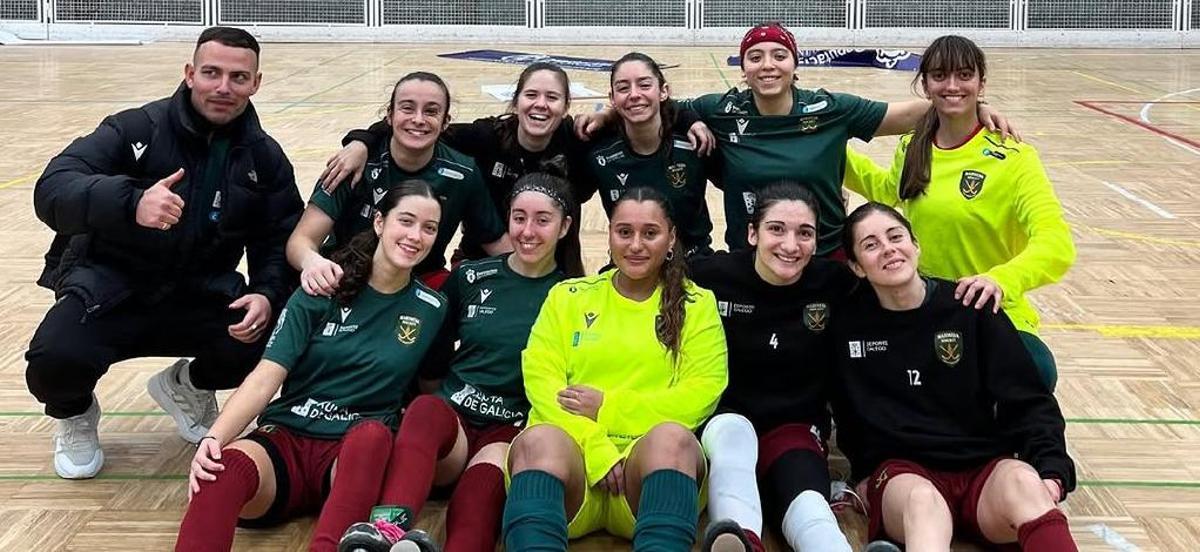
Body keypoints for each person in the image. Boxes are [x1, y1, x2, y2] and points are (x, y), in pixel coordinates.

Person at [25, 26, 303, 479]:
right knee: (53, 362)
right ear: (190, 73)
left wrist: (268, 293)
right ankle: (75, 414)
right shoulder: (135, 128)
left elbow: (280, 238)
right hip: (110, 290)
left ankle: (187, 386)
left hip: (199, 293)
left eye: (238, 77)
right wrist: (131, 202)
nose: (223, 87)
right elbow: (52, 189)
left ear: (256, 84)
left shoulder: (264, 157)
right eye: (211, 73)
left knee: (274, 336)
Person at [577, 22, 1016, 257]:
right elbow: (650, 102)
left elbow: (905, 116)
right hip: (749, 258)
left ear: (794, 64)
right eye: (755, 57)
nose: (767, 65)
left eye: (779, 55)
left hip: (824, 256)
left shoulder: (830, 108)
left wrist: (969, 103)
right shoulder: (721, 109)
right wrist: (606, 113)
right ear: (743, 68)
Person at [176, 182, 448, 552]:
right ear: (381, 223)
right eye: (406, 221)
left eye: (429, 228)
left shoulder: (431, 307)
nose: (416, 236)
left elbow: (432, 393)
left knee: (372, 438)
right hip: (287, 438)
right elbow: (264, 378)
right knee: (220, 473)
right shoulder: (323, 287)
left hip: (352, 456)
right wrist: (214, 439)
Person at [336, 173, 583, 552]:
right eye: (519, 218)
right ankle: (386, 533)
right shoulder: (470, 276)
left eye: (542, 220)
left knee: (480, 491)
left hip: (511, 429)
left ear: (565, 226)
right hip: (452, 428)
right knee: (425, 410)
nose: (528, 231)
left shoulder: (573, 296)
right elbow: (431, 354)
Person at [830, 202, 1077, 552]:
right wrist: (864, 475)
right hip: (904, 474)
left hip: (982, 471)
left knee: (1025, 482)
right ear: (856, 266)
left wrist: (1051, 472)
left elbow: (1028, 399)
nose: (888, 248)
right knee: (922, 504)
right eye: (870, 245)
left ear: (916, 245)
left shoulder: (969, 308)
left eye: (896, 236)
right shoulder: (845, 326)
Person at [842, 35, 1074, 390]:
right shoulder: (913, 145)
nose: (952, 86)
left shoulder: (1014, 157)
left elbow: (1056, 243)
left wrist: (1000, 280)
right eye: (940, 76)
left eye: (964, 75)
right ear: (925, 84)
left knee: (1036, 370)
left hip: (989, 305)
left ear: (982, 82)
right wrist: (825, 146)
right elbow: (885, 191)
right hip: (925, 303)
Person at [502, 187, 728, 551]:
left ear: (671, 238)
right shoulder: (568, 296)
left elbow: (700, 394)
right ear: (609, 234)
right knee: (537, 439)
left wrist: (607, 408)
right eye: (624, 232)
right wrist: (596, 449)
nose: (635, 244)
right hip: (576, 469)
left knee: (674, 439)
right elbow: (543, 383)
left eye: (650, 233)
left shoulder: (697, 305)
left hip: (645, 480)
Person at [319, 61, 714, 264]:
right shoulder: (485, 137)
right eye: (531, 96)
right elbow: (420, 126)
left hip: (556, 266)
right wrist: (363, 142)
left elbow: (642, 112)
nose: (540, 105)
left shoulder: (577, 141)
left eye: (552, 98)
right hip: (482, 257)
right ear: (517, 100)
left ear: (565, 109)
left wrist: (689, 117)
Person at [688, 183, 856, 552]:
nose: (790, 245)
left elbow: (899, 289)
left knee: (809, 501)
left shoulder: (834, 283)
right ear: (752, 233)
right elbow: (639, 272)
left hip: (795, 427)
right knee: (734, 438)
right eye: (776, 229)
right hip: (727, 421)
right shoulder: (710, 276)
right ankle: (738, 542)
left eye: (805, 233)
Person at [286, 71, 508, 293]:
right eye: (407, 108)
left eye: (431, 111)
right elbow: (301, 241)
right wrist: (312, 262)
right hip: (346, 277)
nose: (418, 119)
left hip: (419, 283)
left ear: (445, 122)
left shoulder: (464, 172)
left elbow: (496, 241)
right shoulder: (352, 164)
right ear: (389, 116)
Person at [579, 52, 715, 258]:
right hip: (631, 263)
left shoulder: (695, 143)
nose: (634, 94)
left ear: (663, 91)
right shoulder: (598, 152)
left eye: (644, 85)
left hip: (694, 262)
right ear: (612, 99)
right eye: (623, 88)